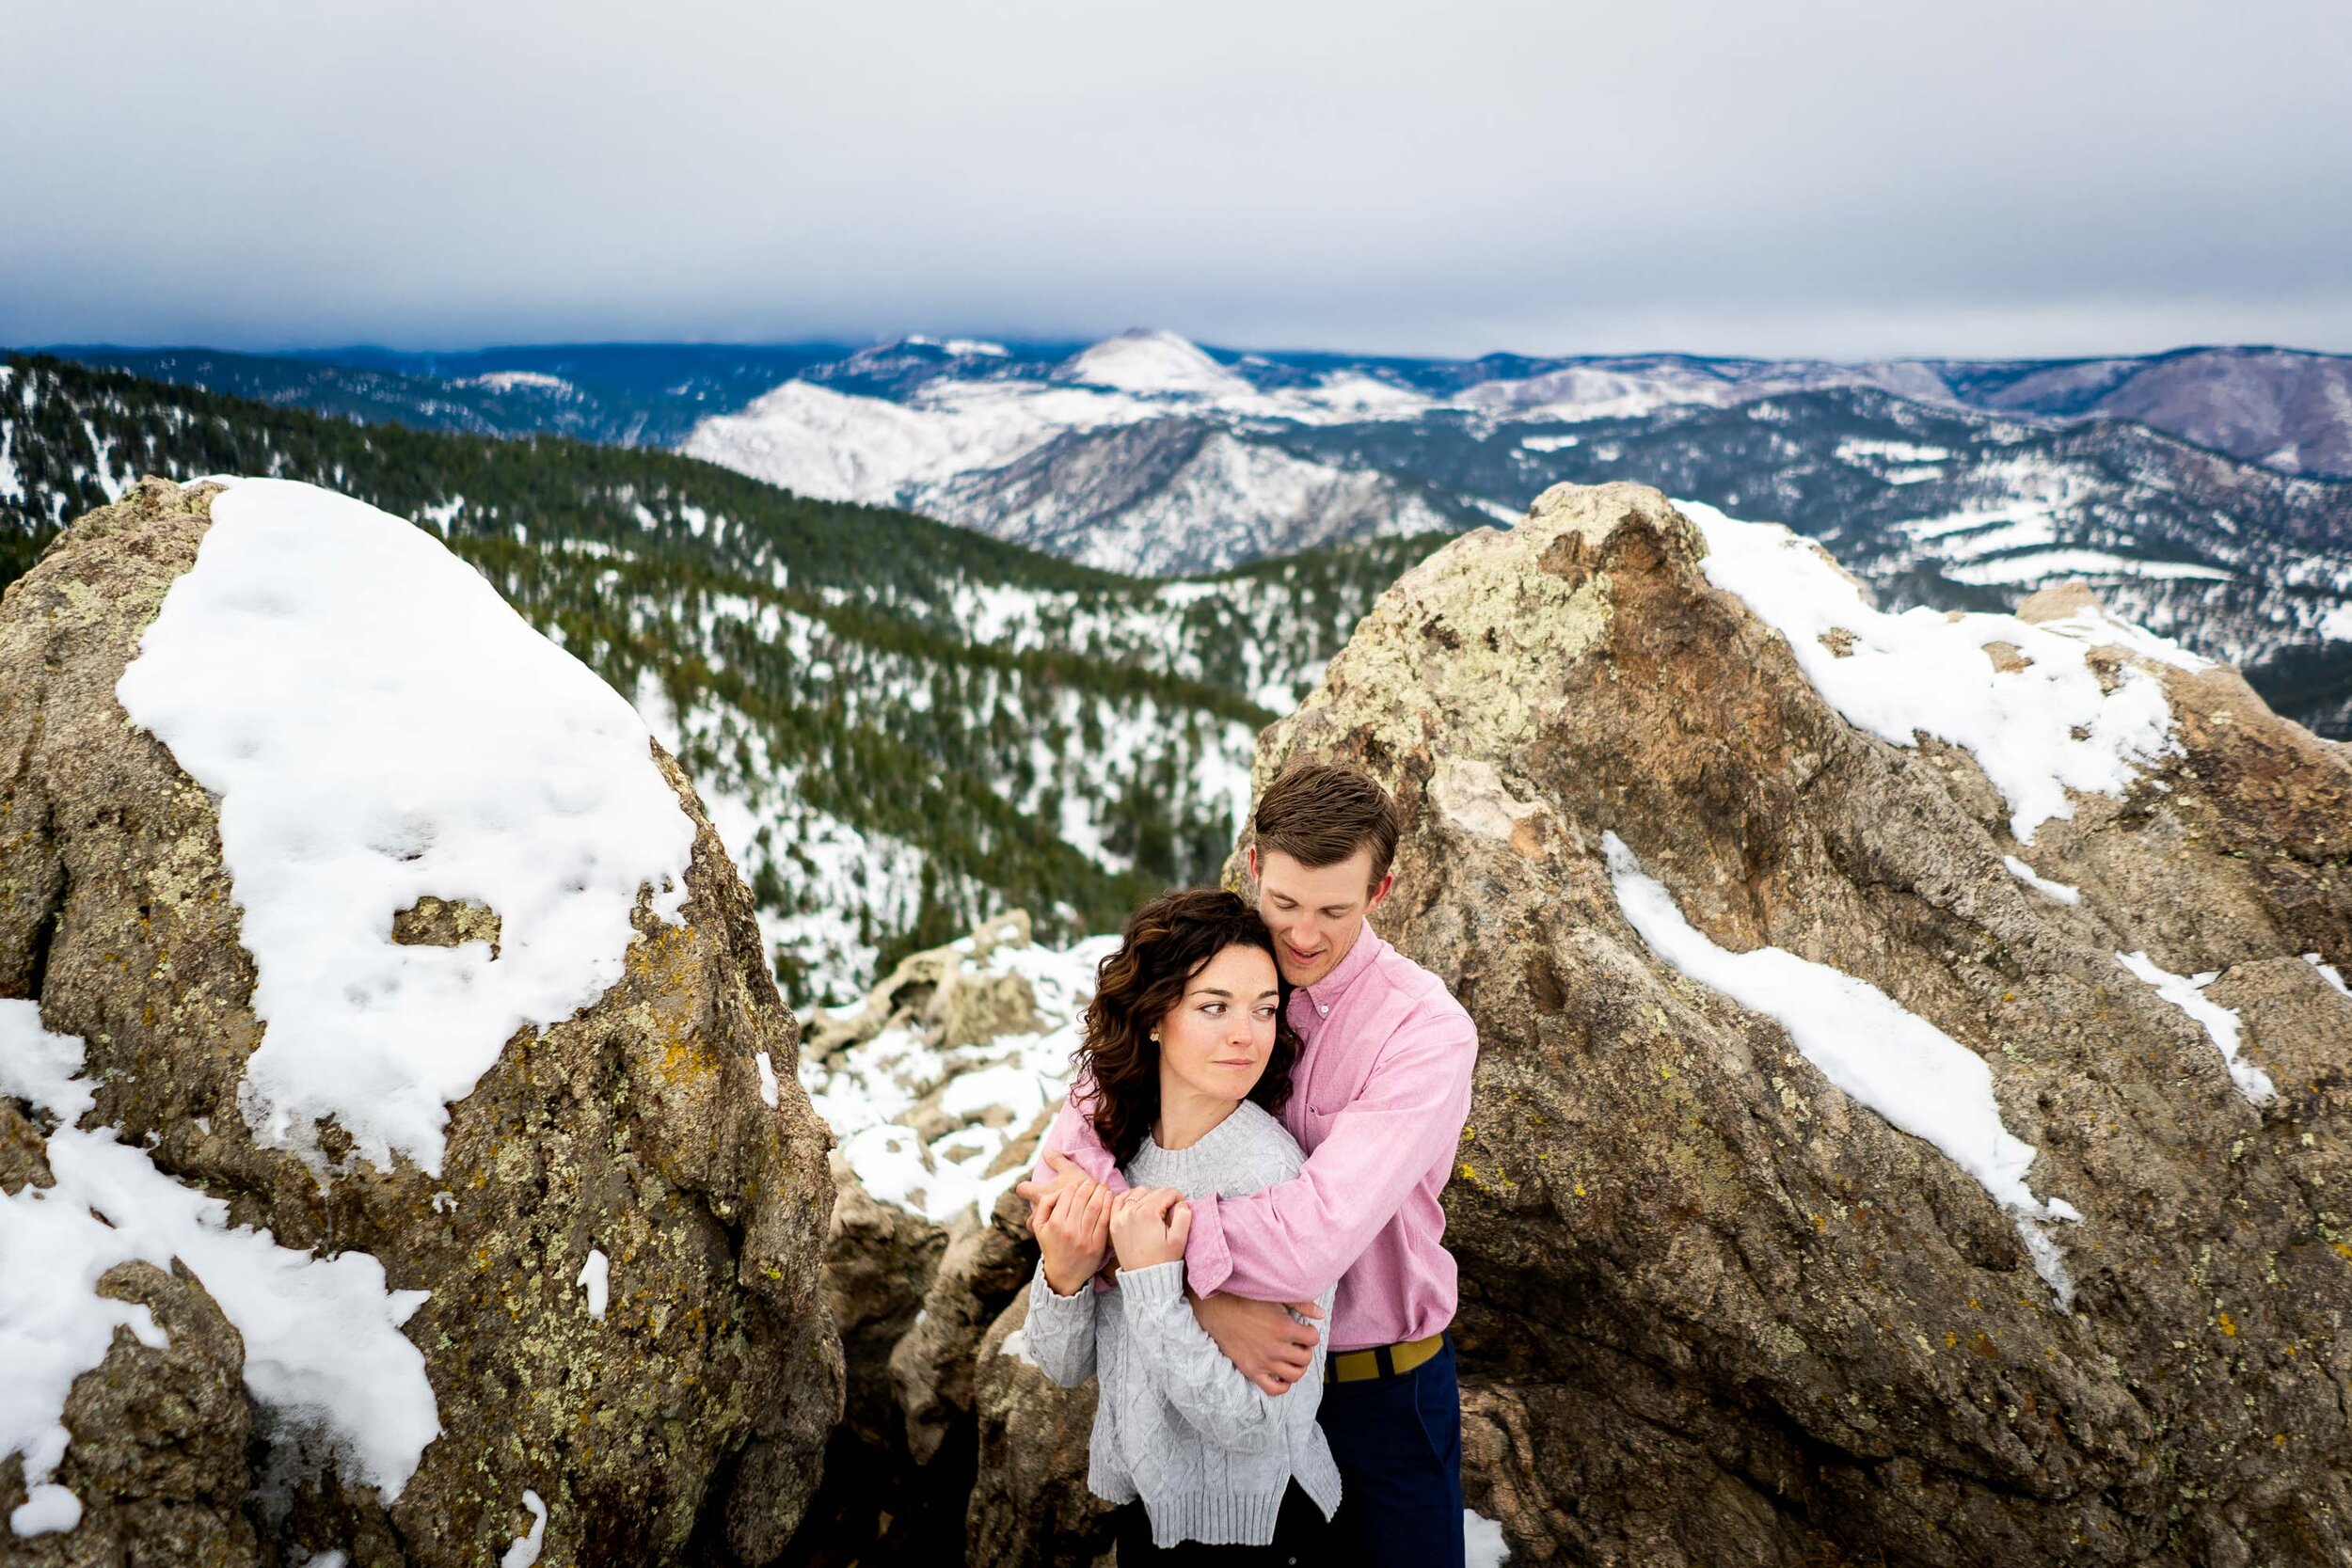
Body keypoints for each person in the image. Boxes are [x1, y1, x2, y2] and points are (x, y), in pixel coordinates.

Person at [1022, 762, 1480, 1568]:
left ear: (1381, 893)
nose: (1303, 934)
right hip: (1217, 1374)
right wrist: (1202, 1302)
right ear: (1257, 867)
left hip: (1378, 1391)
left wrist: (1162, 1263)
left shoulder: (1425, 1030)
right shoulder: (1212, 969)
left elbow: (1313, 1241)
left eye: (1335, 911)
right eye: (1286, 903)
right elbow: (1067, 1165)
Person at [1020, 886, 1342, 1560]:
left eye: (1264, 1010)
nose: (1244, 1034)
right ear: (1156, 1016)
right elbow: (1062, 1363)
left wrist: (1155, 1282)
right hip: (1149, 1515)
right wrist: (1068, 1275)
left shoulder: (1274, 1173)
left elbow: (1260, 1425)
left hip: (1263, 1526)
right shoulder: (1115, 1152)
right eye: (1214, 1006)